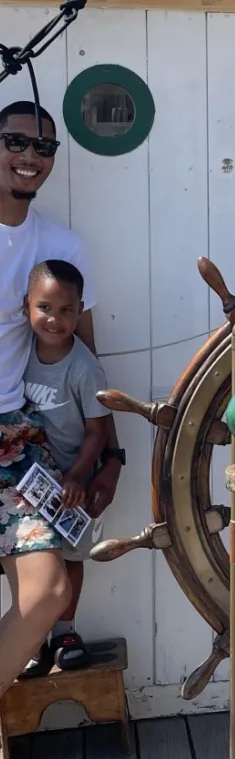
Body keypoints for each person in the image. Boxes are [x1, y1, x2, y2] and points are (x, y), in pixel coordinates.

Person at [0, 101, 123, 700]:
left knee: (47, 590)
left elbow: (87, 355)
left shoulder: (61, 246)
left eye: (43, 148)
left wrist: (112, 455)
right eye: (16, 141)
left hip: (17, 437)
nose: (30, 157)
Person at [19, 259, 110, 674]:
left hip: (74, 482)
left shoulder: (84, 368)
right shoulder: (18, 354)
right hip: (30, 480)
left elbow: (97, 431)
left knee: (72, 556)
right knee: (34, 555)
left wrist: (78, 476)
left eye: (67, 310)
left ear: (80, 310)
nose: (55, 319)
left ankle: (66, 632)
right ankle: (34, 635)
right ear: (26, 307)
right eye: (45, 308)